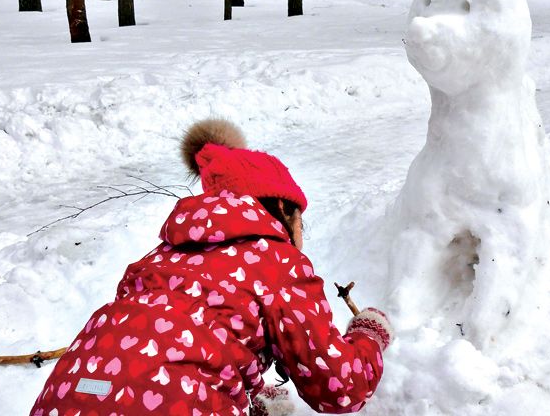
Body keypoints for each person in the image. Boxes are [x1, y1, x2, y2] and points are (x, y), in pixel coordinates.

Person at [31, 119, 393, 415]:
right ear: (282, 211)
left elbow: (174, 348)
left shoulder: (157, 260)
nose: (301, 236)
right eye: (301, 222)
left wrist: (245, 391)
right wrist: (369, 335)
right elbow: (340, 388)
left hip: (66, 397)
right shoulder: (278, 262)